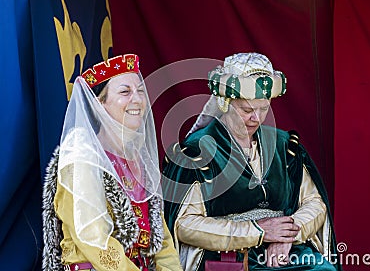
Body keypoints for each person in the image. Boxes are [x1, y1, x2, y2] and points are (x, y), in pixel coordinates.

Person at [162, 53, 341, 270]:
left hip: (283, 251)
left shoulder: (284, 146)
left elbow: (315, 203)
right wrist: (258, 231)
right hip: (224, 257)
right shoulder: (197, 151)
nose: (256, 118)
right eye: (247, 110)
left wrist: (286, 236)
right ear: (225, 103)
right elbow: (184, 224)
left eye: (264, 109)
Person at [42, 54, 183, 271]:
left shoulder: (137, 159)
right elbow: (95, 240)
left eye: (141, 91)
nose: (136, 99)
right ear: (99, 104)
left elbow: (162, 239)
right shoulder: (82, 158)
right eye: (125, 92)